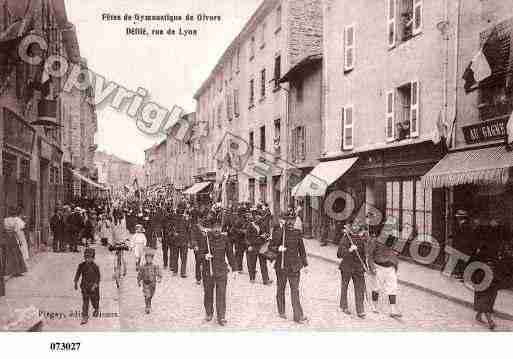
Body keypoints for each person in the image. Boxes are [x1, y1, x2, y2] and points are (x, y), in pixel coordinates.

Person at [192, 213, 234, 326]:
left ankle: (221, 317)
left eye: (218, 227)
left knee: (221, 294)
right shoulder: (205, 238)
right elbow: (199, 253)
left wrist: (234, 268)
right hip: (208, 271)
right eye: (214, 227)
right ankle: (209, 313)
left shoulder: (225, 239)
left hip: (221, 271)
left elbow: (230, 254)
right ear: (211, 228)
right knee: (208, 293)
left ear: (221, 228)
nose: (216, 230)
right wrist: (205, 256)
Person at [269, 212, 308, 324]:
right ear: (284, 220)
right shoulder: (279, 232)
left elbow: (302, 250)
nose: (291, 222)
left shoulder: (297, 233)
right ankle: (281, 311)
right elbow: (270, 246)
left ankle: (298, 315)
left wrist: (305, 264)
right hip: (282, 267)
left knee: (295, 291)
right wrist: (278, 249)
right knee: (281, 288)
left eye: (293, 220)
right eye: (288, 220)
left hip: (295, 267)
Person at [367, 217, 402, 318]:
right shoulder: (375, 240)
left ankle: (392, 309)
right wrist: (372, 268)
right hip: (379, 267)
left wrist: (395, 265)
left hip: (390, 268)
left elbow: (395, 254)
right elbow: (369, 255)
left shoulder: (394, 241)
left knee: (392, 288)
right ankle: (374, 305)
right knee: (376, 287)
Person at [337, 221, 368, 318]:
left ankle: (360, 310)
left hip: (358, 268)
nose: (356, 229)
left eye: (358, 227)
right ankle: (343, 305)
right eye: (354, 227)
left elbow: (363, 255)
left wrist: (365, 266)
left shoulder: (361, 240)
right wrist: (349, 250)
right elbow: (339, 254)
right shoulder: (346, 238)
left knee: (360, 288)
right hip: (347, 267)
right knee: (345, 286)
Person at [73, 247, 101, 325]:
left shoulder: (95, 267)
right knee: (85, 302)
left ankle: (96, 309)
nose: (88, 259)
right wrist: (75, 282)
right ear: (84, 257)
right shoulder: (81, 265)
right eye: (86, 258)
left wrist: (95, 285)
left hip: (93, 288)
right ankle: (84, 317)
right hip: (84, 286)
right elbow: (78, 274)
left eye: (90, 258)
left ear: (93, 258)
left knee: (94, 301)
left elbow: (98, 277)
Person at [246, 213, 272, 285]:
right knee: (252, 263)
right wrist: (248, 245)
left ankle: (266, 280)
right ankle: (252, 278)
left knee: (263, 263)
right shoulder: (250, 225)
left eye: (259, 217)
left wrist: (266, 236)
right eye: (257, 217)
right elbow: (247, 237)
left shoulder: (263, 225)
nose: (258, 218)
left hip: (261, 246)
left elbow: (268, 233)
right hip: (253, 246)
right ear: (254, 217)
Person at [3, 206, 28, 277]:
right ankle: (16, 271)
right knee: (16, 254)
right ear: (13, 213)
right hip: (13, 238)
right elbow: (17, 231)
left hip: (6, 237)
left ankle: (7, 271)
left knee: (8, 254)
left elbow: (4, 229)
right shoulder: (15, 220)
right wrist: (20, 240)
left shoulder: (5, 220)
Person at [137, 248, 162, 314]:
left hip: (153, 284)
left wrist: (159, 278)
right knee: (147, 295)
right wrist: (139, 281)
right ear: (145, 259)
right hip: (145, 283)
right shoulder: (143, 267)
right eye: (147, 258)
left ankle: (149, 303)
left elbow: (158, 273)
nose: (148, 260)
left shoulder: (155, 266)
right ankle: (147, 307)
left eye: (150, 258)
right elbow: (140, 274)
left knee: (151, 295)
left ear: (152, 259)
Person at [170, 204, 190, 278]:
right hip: (180, 240)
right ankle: (181, 272)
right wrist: (173, 233)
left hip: (181, 240)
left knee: (179, 257)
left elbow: (189, 230)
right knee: (181, 257)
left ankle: (179, 272)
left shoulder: (185, 219)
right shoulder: (176, 218)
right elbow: (170, 228)